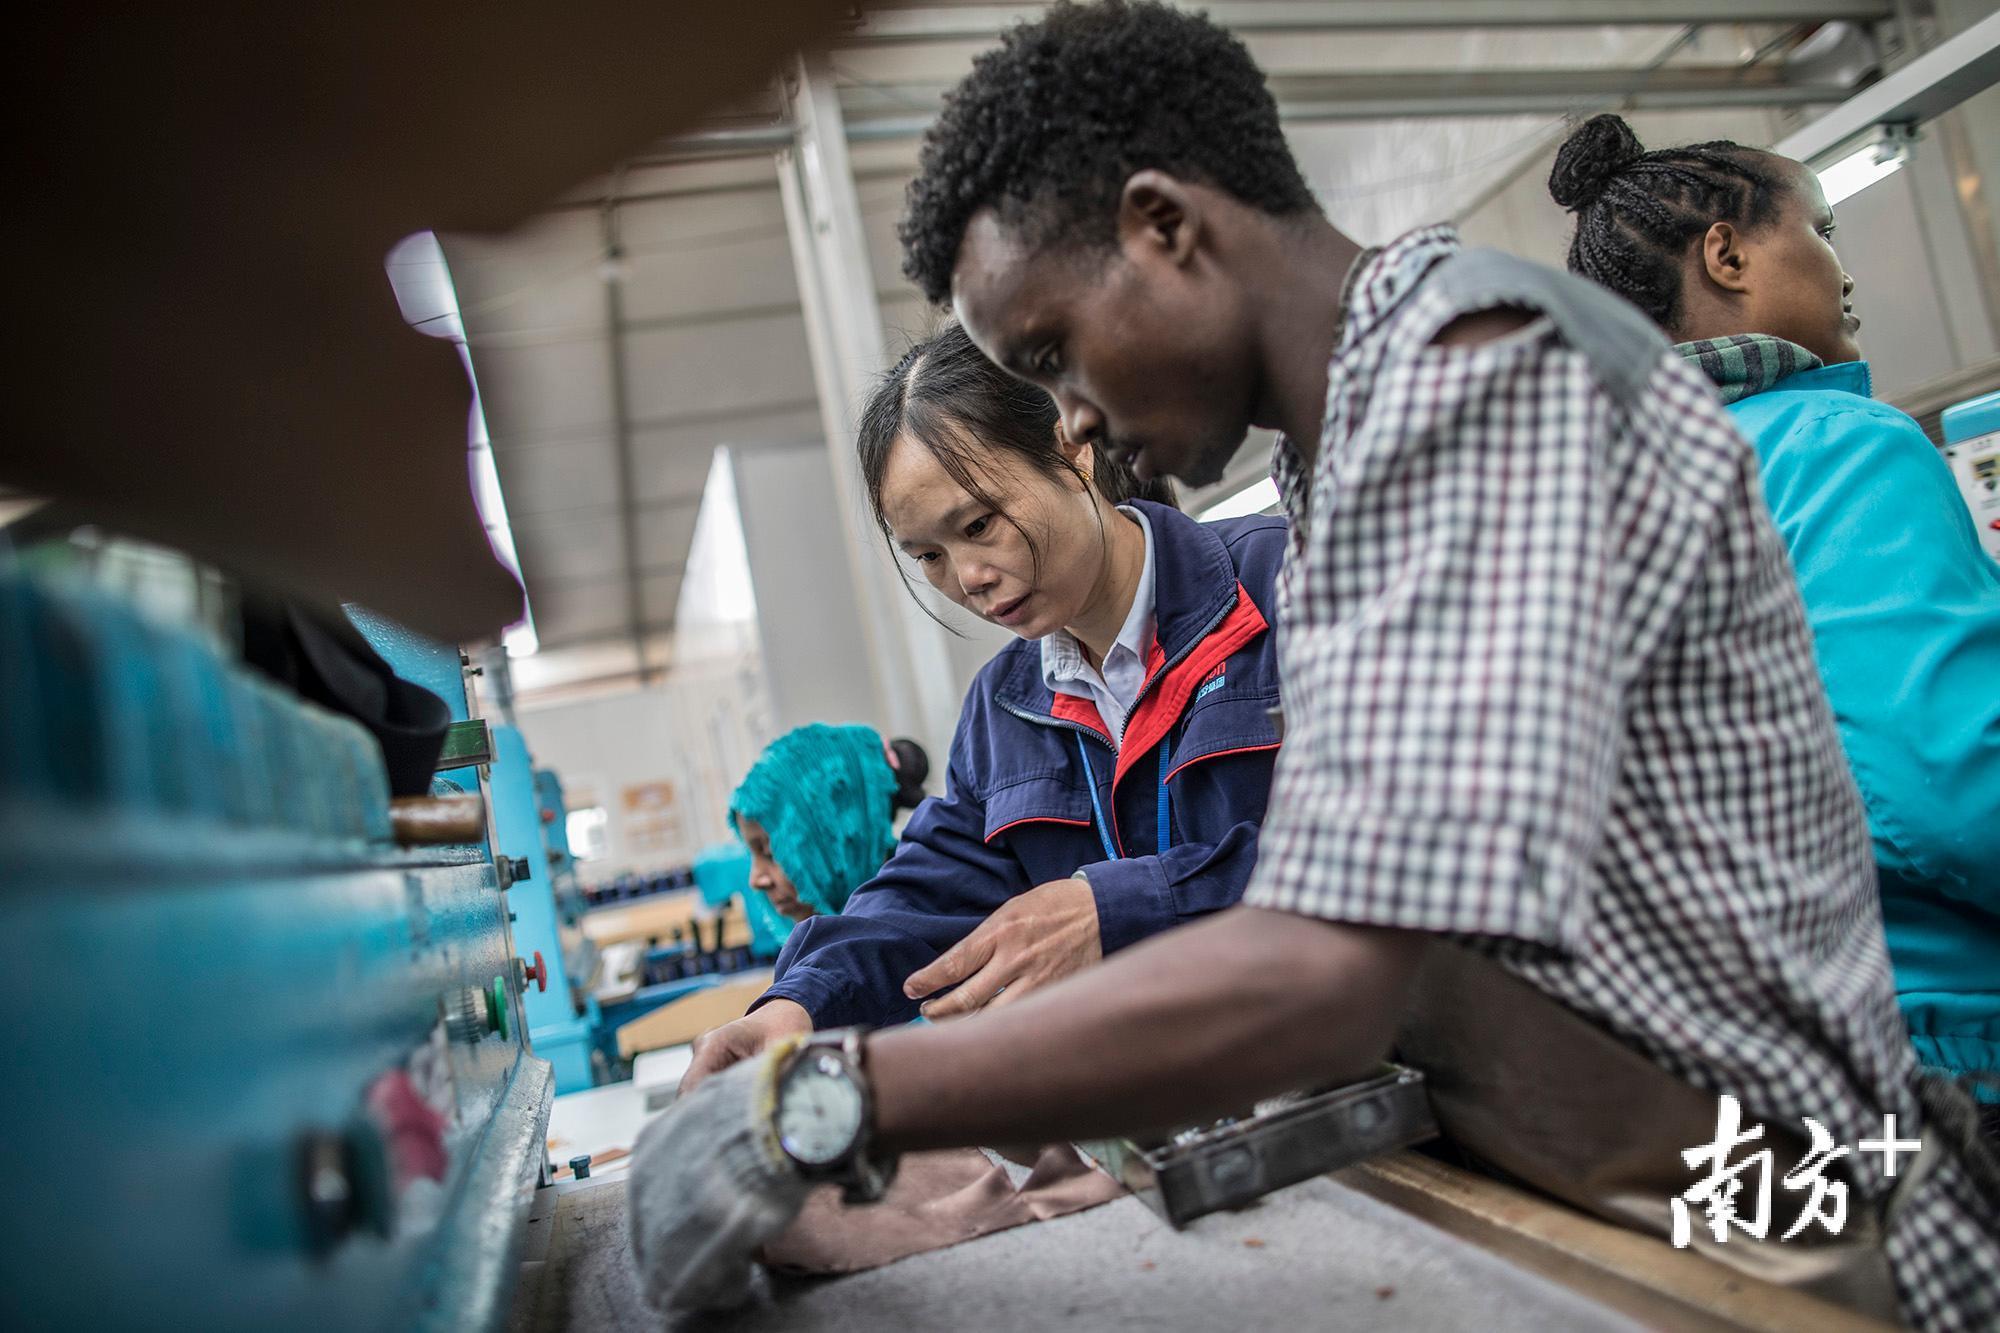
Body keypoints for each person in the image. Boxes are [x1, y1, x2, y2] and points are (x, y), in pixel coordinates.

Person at [629, 5, 1999, 1325]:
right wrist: (813, 1003)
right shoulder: (1351, 445)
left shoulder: (1481, 382)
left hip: (1782, 1202)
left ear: (1164, 228)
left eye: (1057, 352)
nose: (1080, 417)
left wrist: (845, 1099)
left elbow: (1324, 963)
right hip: (1610, 1167)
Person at [679, 318, 1288, 1084]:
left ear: (1073, 442)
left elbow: (1416, 828)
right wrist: (793, 1005)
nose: (967, 576)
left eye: (979, 524)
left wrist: (1117, 909)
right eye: (929, 555)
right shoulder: (1006, 710)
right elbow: (925, 888)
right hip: (1185, 1106)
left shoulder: (1278, 589)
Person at [1550, 113, 2000, 1118]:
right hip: (1932, 1039)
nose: (1840, 270)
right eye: (1823, 227)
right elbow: (1950, 789)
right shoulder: (1833, 447)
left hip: (1702, 1061)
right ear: (1725, 252)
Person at [730, 723, 929, 926]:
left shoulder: (905, 933)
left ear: (838, 842)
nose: (756, 880)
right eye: (751, 854)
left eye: (771, 854)